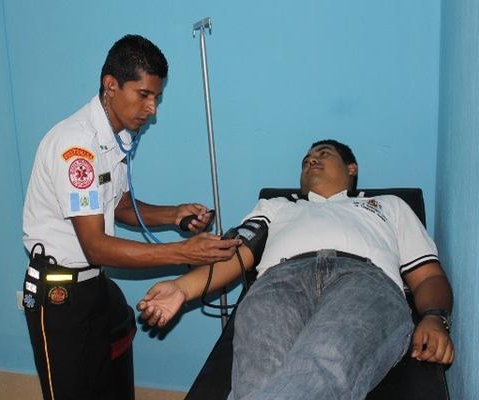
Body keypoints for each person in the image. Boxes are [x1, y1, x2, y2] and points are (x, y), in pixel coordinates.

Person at [138, 139, 454, 400]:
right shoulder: (277, 207)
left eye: (323, 154)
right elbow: (236, 255)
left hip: (364, 282)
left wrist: (434, 316)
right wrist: (182, 288)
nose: (311, 160)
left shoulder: (388, 205)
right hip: (279, 282)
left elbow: (428, 275)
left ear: (352, 168)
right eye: (306, 158)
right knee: (256, 378)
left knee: (325, 359)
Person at [22, 34, 241, 400]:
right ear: (111, 85)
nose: (152, 108)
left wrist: (175, 215)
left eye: (157, 97)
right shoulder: (77, 147)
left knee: (114, 357)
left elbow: (120, 206)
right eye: (144, 95)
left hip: (93, 284)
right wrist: (185, 252)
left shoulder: (115, 138)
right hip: (59, 294)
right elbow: (95, 246)